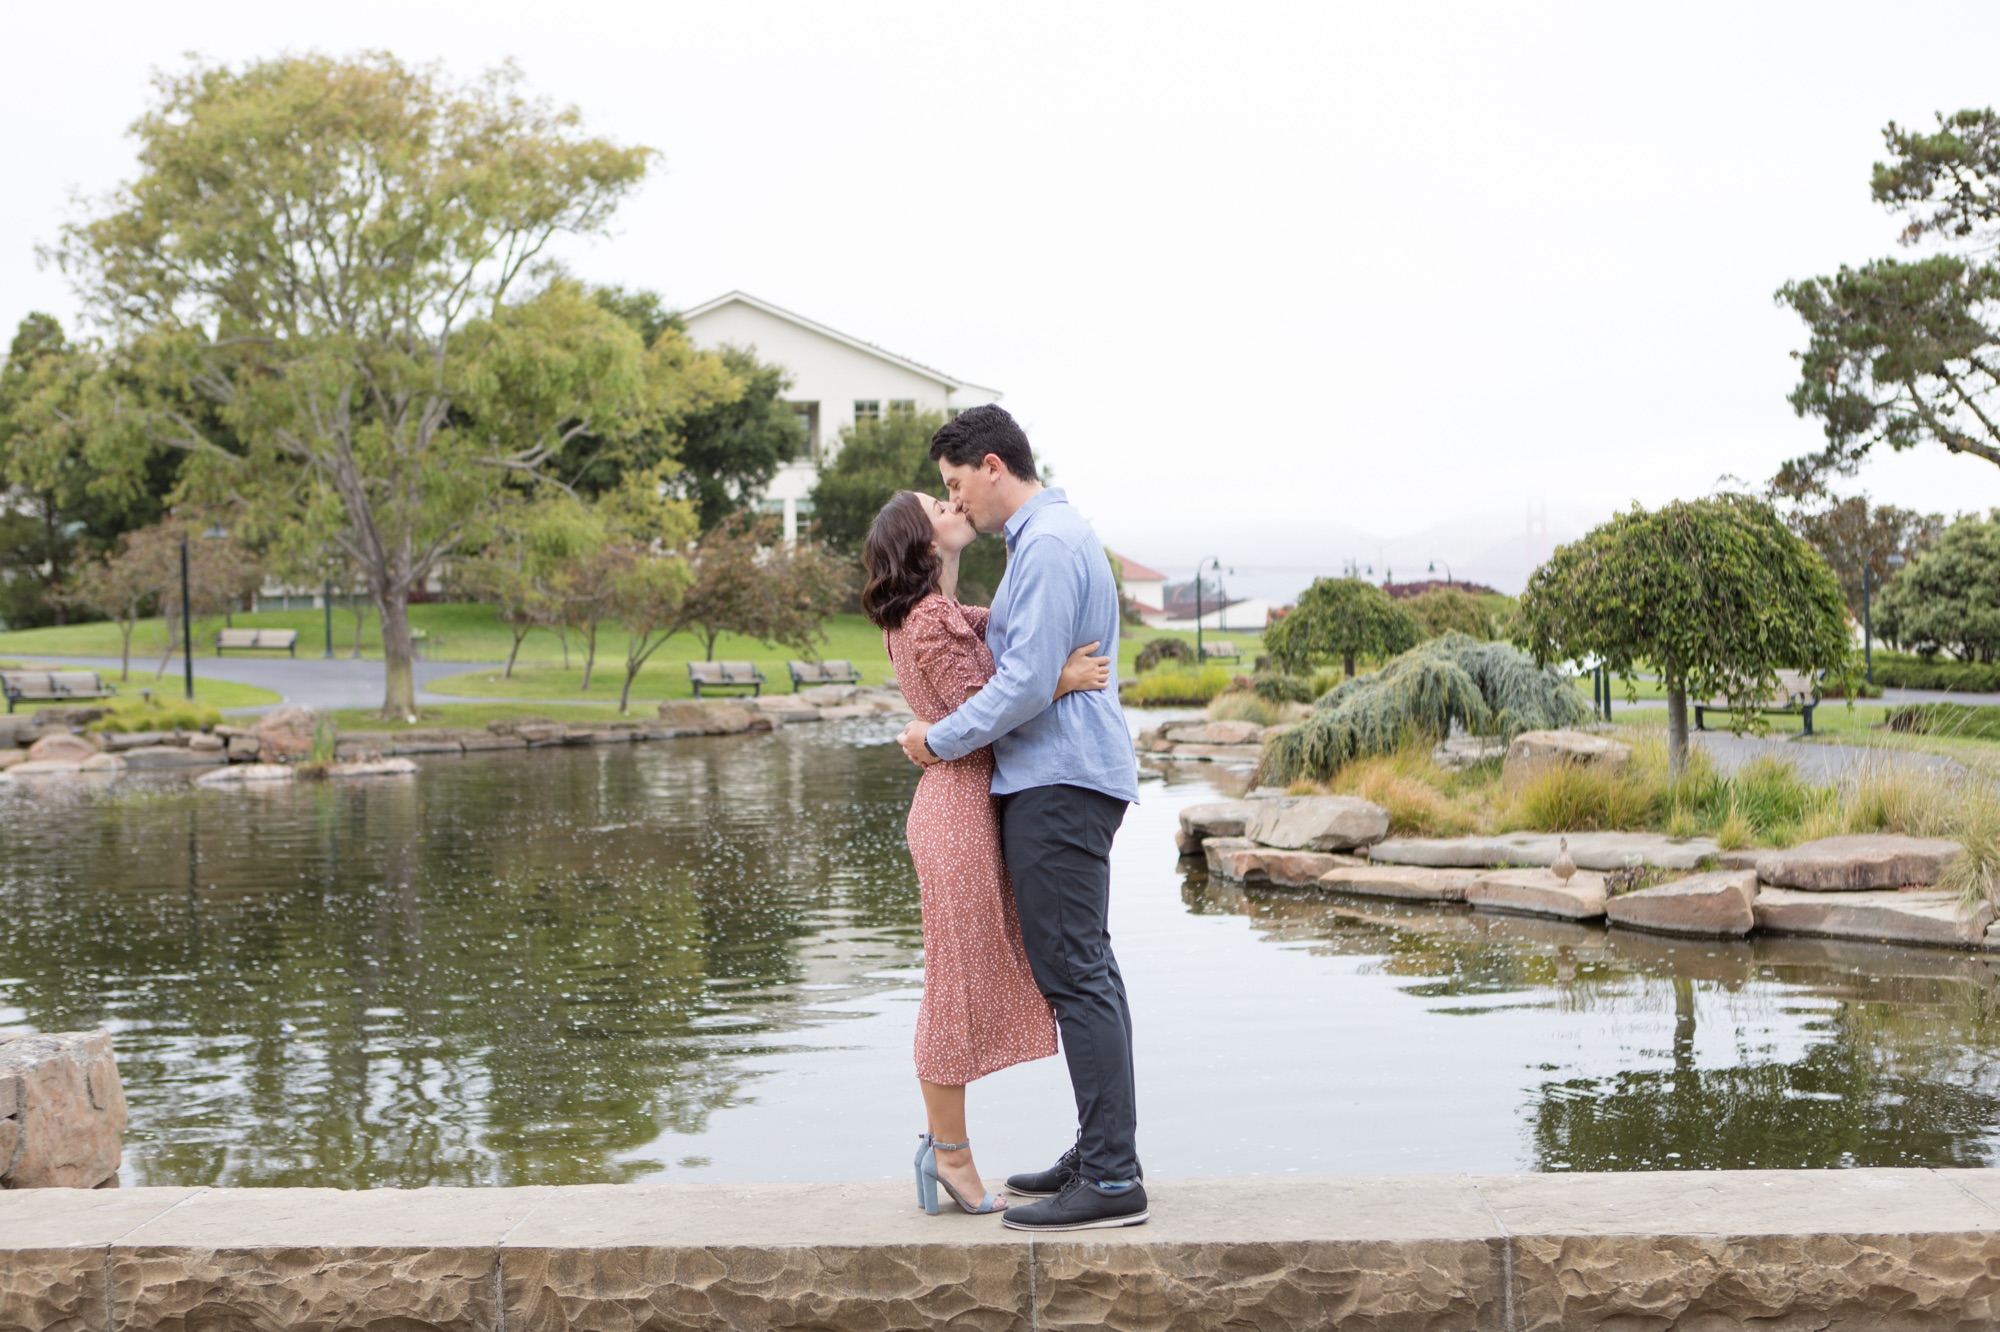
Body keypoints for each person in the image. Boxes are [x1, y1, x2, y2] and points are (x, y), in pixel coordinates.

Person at [896, 404, 1147, 1233]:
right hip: (1061, 777)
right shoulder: (1044, 540)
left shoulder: (1042, 545)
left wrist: (934, 741)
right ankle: (1099, 1150)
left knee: (1076, 972)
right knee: (1083, 969)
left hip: (1061, 781)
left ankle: (1112, 1179)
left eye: (955, 482)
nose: (956, 499)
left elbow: (1013, 685)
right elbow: (1020, 667)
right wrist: (1043, 678)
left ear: (993, 466)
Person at [861, 488, 1112, 1217]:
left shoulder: (931, 613)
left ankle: (948, 1150)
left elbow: (1001, 641)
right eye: (935, 502)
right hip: (958, 810)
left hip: (958, 807)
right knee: (953, 985)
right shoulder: (931, 616)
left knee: (961, 977)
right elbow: (992, 708)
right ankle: (950, 1157)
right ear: (920, 537)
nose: (951, 501)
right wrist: (1059, 678)